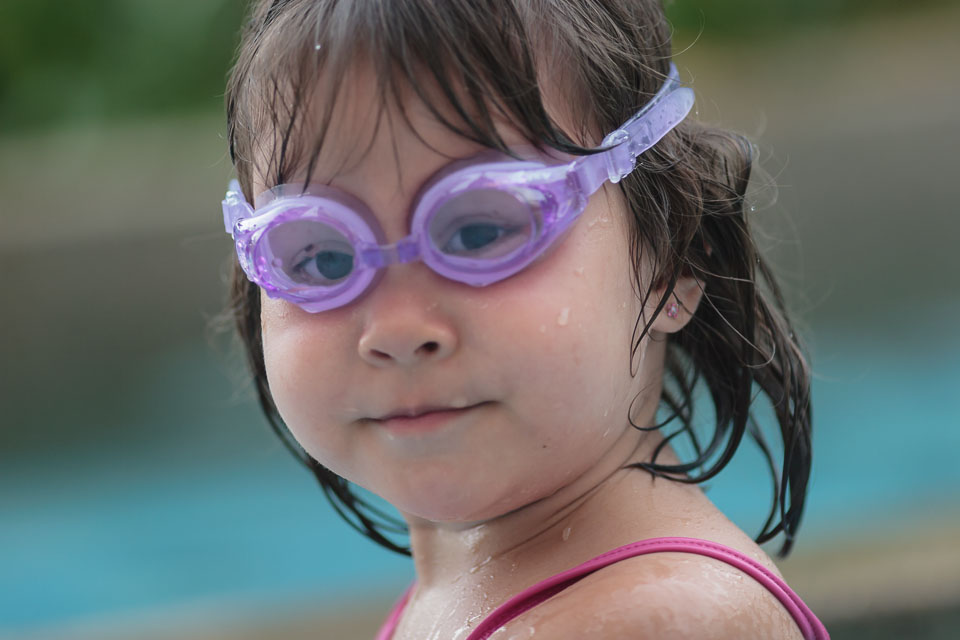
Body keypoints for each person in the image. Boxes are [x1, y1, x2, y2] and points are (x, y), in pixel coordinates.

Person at [220, 1, 829, 638]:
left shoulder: (655, 619)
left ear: (673, 259)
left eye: (480, 231)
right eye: (322, 255)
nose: (397, 330)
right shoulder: (470, 593)